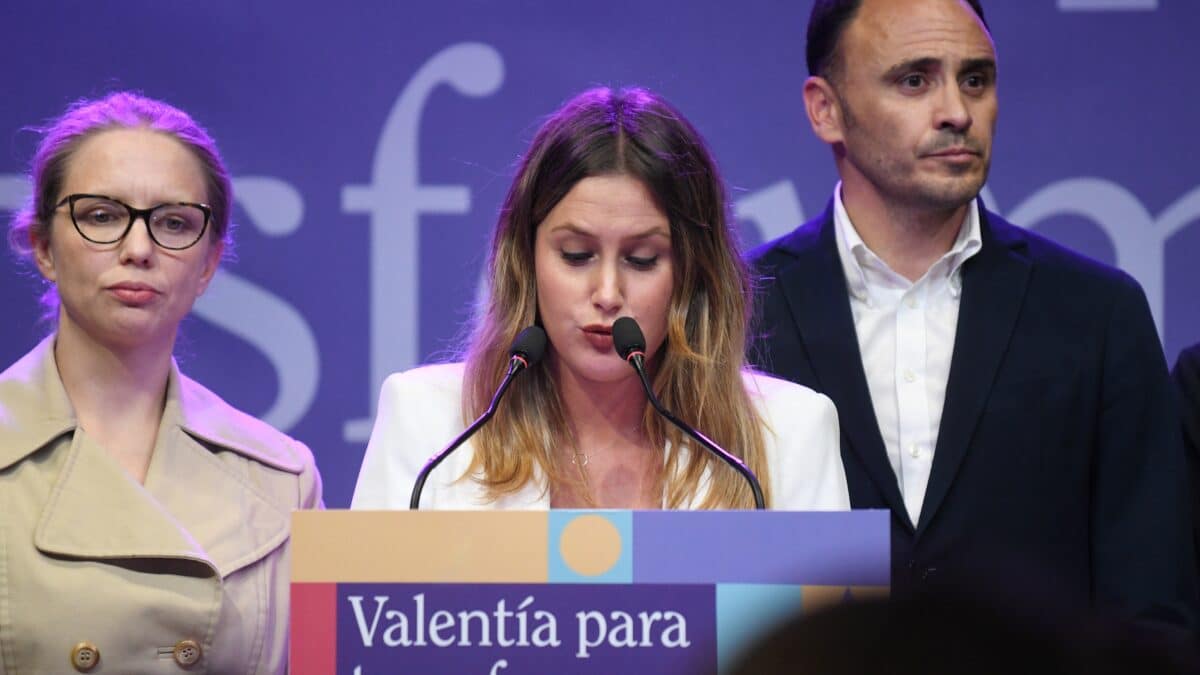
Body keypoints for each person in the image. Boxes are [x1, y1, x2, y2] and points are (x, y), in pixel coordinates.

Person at [748, 0, 1195, 619]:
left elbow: (1152, 608)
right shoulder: (735, 312)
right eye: (914, 80)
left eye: (976, 80)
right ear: (826, 109)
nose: (957, 112)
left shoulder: (1098, 315)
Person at [352, 87, 848, 511]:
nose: (608, 295)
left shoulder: (791, 435)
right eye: (576, 254)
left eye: (642, 260)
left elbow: (837, 628)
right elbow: (363, 619)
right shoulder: (427, 426)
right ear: (526, 259)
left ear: (692, 272)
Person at [0, 92, 322, 673]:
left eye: (174, 223)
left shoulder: (281, 479)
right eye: (101, 216)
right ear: (44, 247)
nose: (139, 249)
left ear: (207, 264)